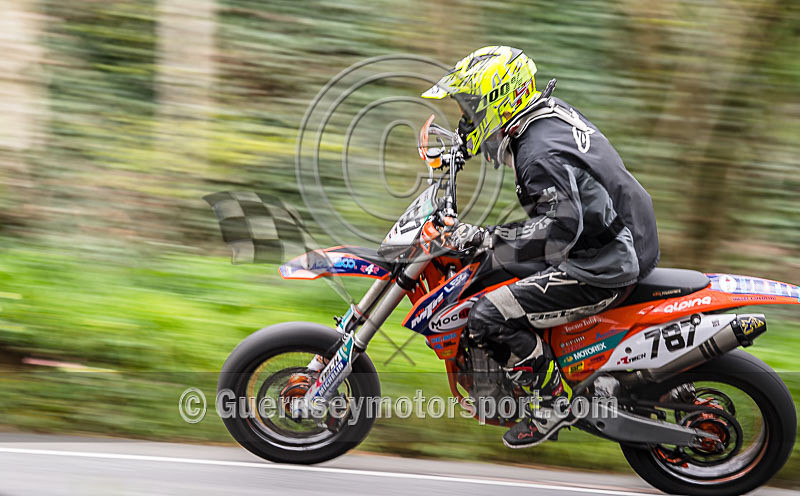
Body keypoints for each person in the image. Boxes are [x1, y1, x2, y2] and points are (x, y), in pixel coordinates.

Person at [421, 46, 660, 448]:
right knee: (495, 271)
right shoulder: (542, 116)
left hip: (598, 264)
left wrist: (486, 238)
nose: (467, 117)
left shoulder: (537, 154)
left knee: (487, 316)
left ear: (499, 100)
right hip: (613, 237)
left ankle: (551, 404)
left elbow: (558, 233)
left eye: (472, 107)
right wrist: (460, 152)